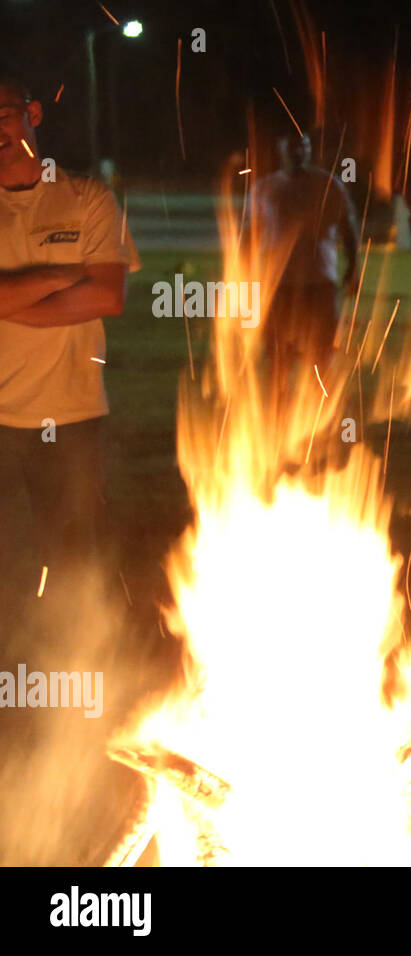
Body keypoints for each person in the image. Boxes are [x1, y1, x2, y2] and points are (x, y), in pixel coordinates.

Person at [0, 65, 140, 614]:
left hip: (72, 418)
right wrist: (62, 274)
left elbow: (108, 296)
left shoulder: (87, 197)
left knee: (76, 562)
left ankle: (79, 654)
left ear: (33, 114)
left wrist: (12, 300)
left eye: (3, 115)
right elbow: (89, 284)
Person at [249, 132, 359, 400]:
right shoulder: (265, 188)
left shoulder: (328, 184)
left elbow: (348, 227)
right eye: (292, 147)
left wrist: (354, 266)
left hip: (319, 283)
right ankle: (279, 410)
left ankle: (319, 410)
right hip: (279, 285)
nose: (298, 153)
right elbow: (251, 234)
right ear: (281, 149)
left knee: (321, 353)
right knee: (278, 353)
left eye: (304, 147)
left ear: (309, 150)